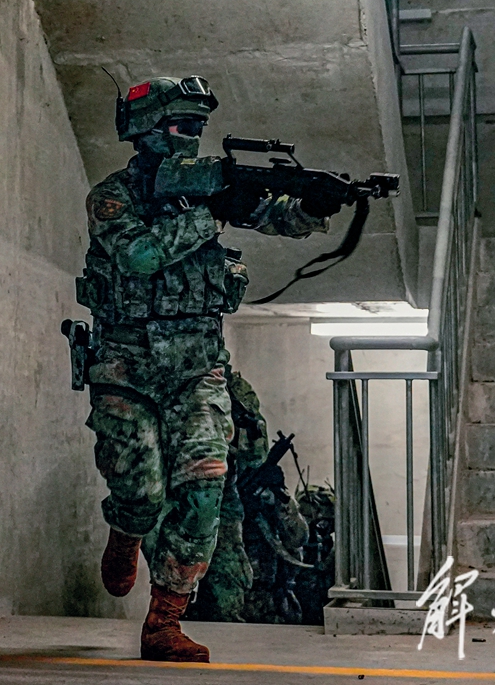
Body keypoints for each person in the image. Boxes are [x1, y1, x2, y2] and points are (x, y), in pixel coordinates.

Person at [75, 75, 338, 662]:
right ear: (146, 131)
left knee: (204, 489)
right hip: (126, 367)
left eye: (198, 126)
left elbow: (274, 215)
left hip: (199, 369)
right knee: (142, 492)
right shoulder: (113, 196)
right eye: (181, 125)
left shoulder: (207, 190)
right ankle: (127, 528)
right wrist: (209, 211)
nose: (192, 137)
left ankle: (164, 621)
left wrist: (313, 206)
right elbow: (140, 256)